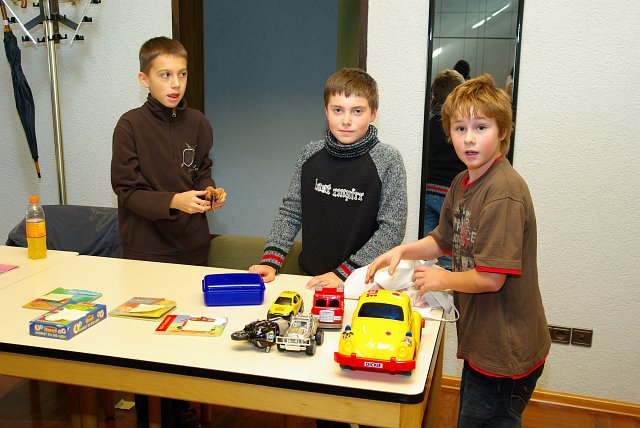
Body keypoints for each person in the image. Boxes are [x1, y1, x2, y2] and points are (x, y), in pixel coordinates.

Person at [366, 74, 550, 427]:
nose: (469, 138)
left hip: (506, 351)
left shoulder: (503, 192)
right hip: (485, 343)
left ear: (502, 131)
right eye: (460, 128)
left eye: (481, 127)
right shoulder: (463, 181)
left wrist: (443, 278)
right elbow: (442, 239)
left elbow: (492, 278)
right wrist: (402, 251)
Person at [111, 36, 227, 428]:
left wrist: (211, 192)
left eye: (182, 74)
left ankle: (181, 409)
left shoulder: (198, 123)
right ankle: (149, 414)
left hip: (191, 247)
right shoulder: (130, 125)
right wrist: (173, 201)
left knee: (186, 337)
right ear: (144, 79)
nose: (175, 84)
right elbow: (127, 191)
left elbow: (202, 171)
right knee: (147, 344)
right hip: (146, 251)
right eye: (165, 75)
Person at [250, 67, 407, 291]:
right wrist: (271, 260)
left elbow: (392, 230)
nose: (346, 120)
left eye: (357, 111)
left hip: (362, 281)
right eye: (338, 110)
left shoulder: (388, 159)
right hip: (310, 278)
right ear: (326, 111)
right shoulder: (309, 154)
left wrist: (344, 273)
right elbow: (291, 211)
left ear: (373, 114)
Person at [425, 69, 466, 269]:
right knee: (450, 252)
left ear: (434, 93)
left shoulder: (427, 121)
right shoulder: (460, 125)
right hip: (451, 193)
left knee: (427, 251)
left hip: (427, 190)